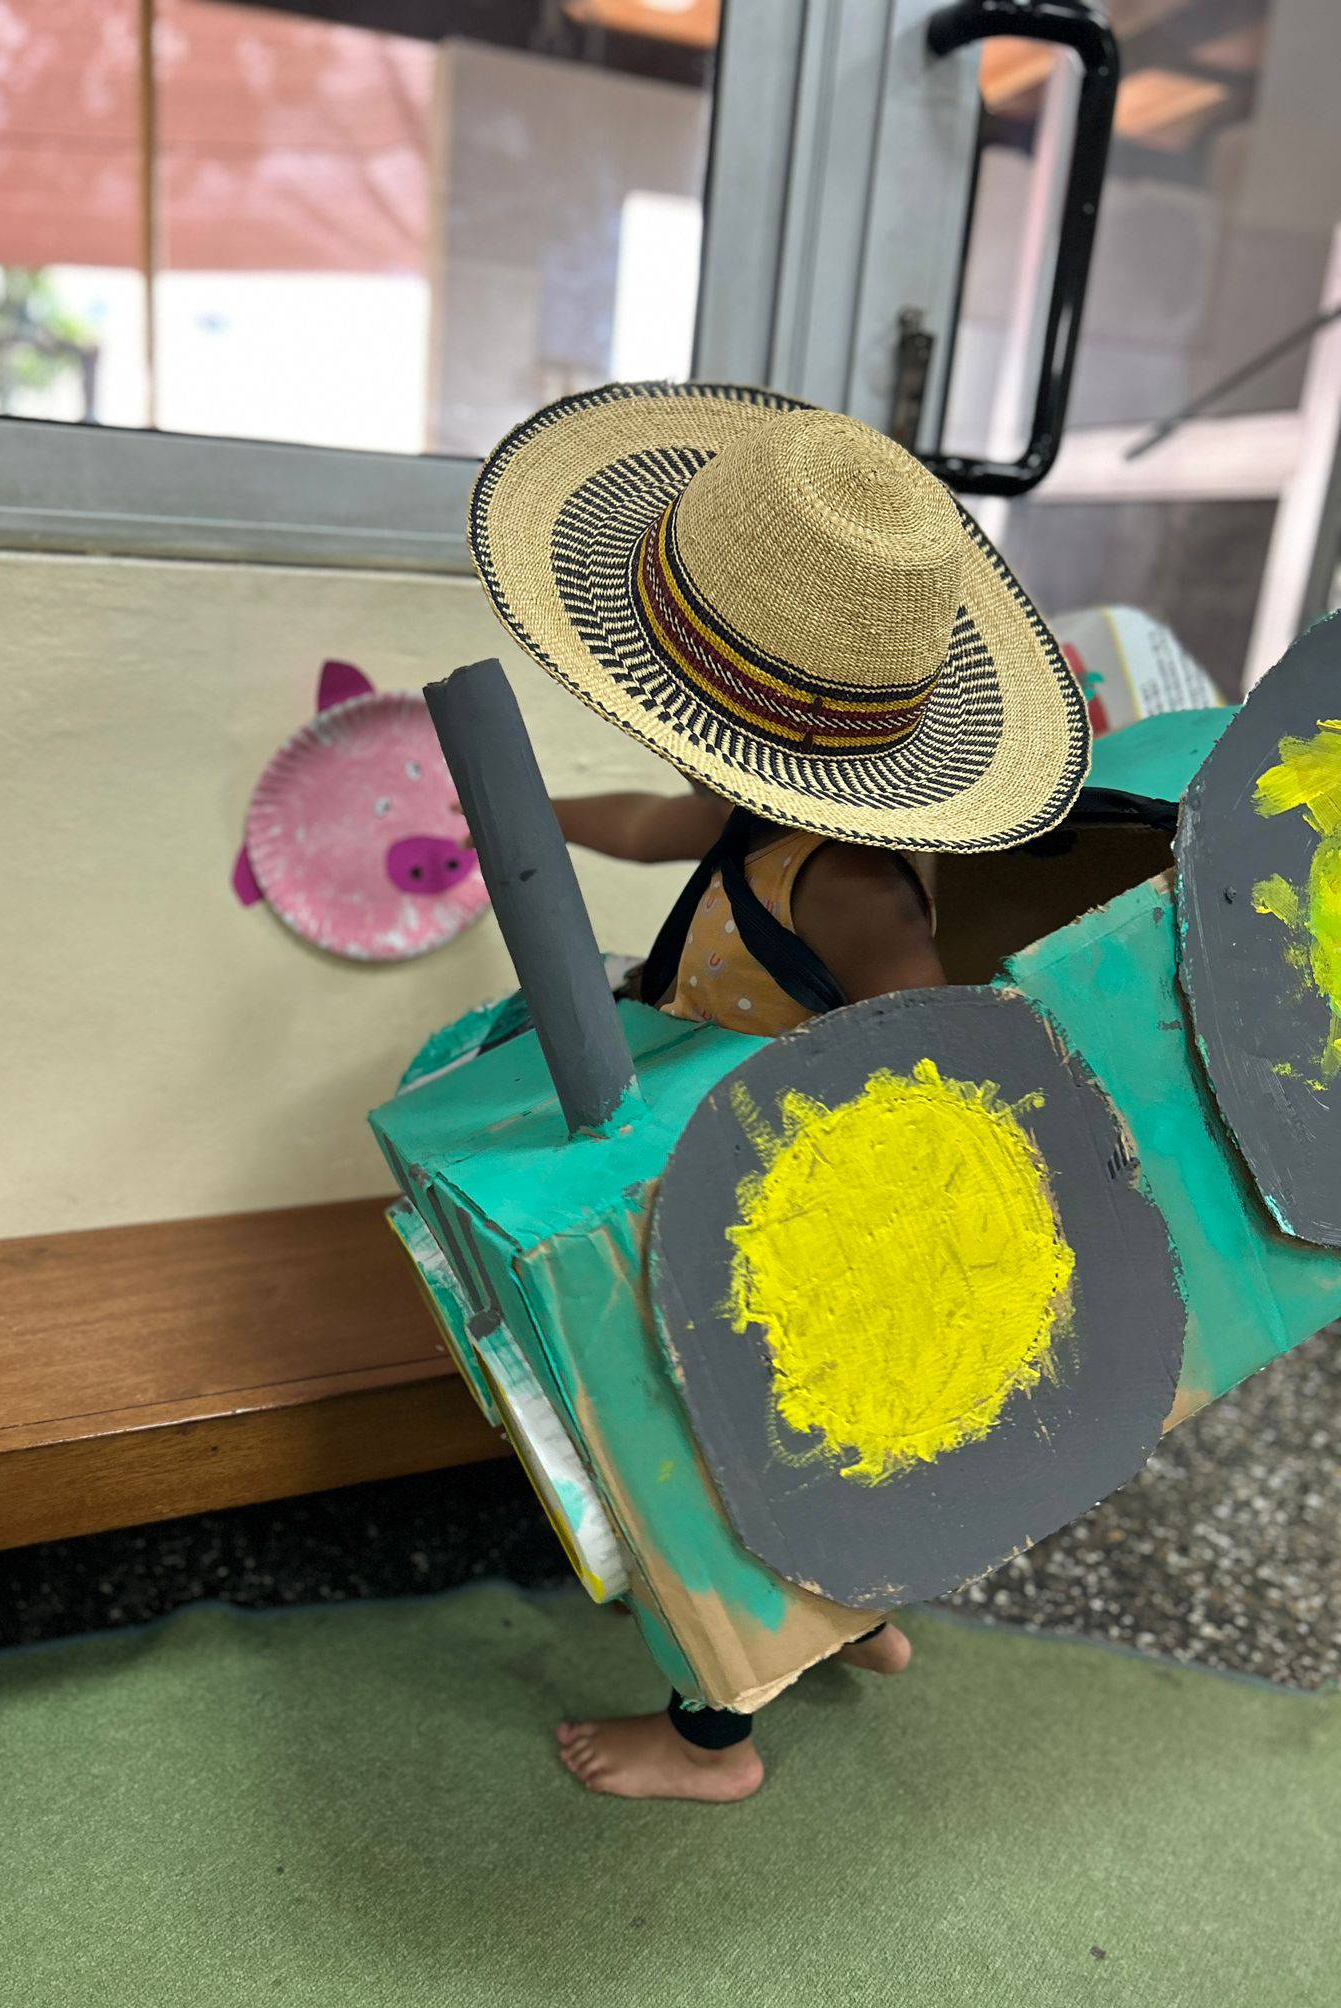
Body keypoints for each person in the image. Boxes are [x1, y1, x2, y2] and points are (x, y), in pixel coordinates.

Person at [466, 382, 1091, 1802]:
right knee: (792, 1462)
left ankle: (714, 1739)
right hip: (710, 1167)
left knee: (706, 1458)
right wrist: (533, 817)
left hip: (786, 1215)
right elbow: (651, 825)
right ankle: (855, 1621)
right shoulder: (768, 810)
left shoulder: (851, 880)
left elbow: (926, 1045)